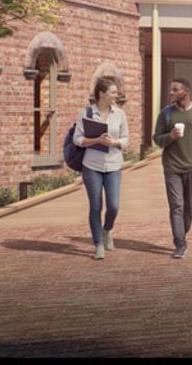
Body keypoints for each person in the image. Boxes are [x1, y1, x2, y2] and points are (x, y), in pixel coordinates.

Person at [153, 76, 192, 259]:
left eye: (175, 89)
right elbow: (157, 139)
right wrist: (170, 136)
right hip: (172, 168)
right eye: (171, 89)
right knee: (176, 206)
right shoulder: (166, 114)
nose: (171, 93)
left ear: (186, 92)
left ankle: (181, 233)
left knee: (190, 207)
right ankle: (180, 243)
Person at [74, 76, 128, 260]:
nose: (116, 95)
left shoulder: (119, 114)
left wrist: (115, 142)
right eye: (113, 92)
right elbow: (77, 139)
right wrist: (96, 140)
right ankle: (98, 244)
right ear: (101, 93)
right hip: (92, 166)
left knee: (113, 206)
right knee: (96, 205)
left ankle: (107, 230)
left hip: (113, 165)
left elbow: (126, 139)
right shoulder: (86, 113)